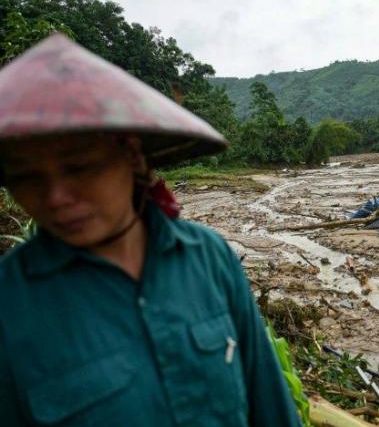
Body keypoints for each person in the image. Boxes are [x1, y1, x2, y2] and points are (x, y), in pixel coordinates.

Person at [0, 34, 301, 426]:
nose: (55, 197)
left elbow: (271, 409)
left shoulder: (210, 258)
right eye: (26, 177)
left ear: (132, 157)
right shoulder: (10, 307)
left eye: (80, 168)